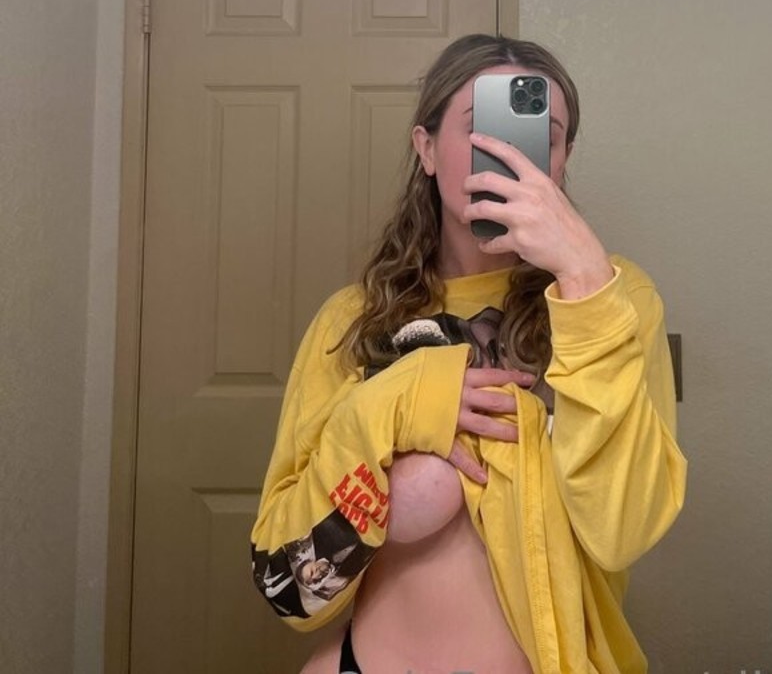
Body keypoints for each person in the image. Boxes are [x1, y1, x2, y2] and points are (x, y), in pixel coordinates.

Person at [251, 33, 687, 674]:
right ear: (426, 148)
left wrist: (585, 280)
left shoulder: (615, 299)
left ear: (561, 160)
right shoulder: (351, 320)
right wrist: (395, 402)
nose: (506, 153)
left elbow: (623, 530)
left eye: (541, 136)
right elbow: (288, 586)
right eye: (481, 128)